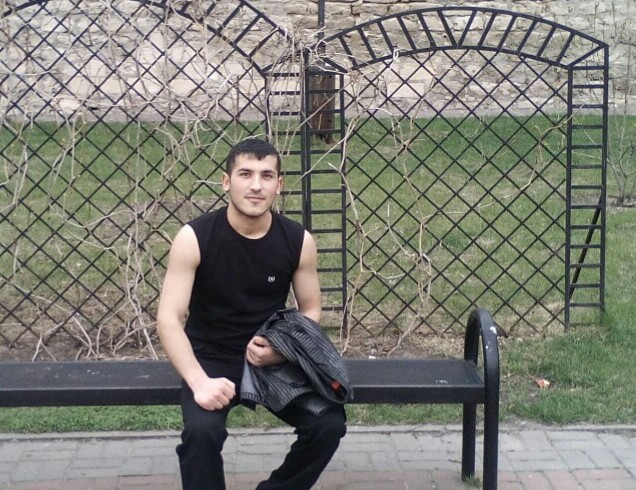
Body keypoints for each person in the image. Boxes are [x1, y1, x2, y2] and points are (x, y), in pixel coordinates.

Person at [156, 138, 347, 490]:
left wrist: (284, 349)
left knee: (328, 424)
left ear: (279, 184)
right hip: (210, 357)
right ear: (226, 182)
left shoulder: (298, 240)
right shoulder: (194, 238)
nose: (256, 185)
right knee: (202, 434)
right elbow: (168, 317)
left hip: (269, 357)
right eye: (245, 174)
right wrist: (199, 382)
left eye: (266, 175)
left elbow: (310, 307)